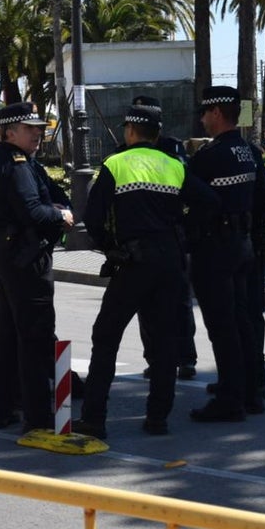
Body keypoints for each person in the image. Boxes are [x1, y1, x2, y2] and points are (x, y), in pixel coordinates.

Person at [75, 104, 219, 439]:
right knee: (165, 341)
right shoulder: (173, 165)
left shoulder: (116, 163)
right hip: (169, 262)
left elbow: (93, 219)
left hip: (133, 262)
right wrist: (180, 228)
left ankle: (94, 419)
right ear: (156, 134)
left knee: (106, 335)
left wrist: (110, 246)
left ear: (129, 131)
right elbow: (209, 202)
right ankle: (158, 418)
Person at [0, 102, 74, 431]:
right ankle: (38, 417)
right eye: (30, 128)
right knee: (36, 337)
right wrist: (60, 215)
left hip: (5, 256)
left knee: (8, 333)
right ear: (10, 132)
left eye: (39, 128)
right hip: (27, 260)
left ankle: (3, 409)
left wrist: (0, 231)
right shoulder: (17, 164)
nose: (38, 133)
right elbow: (33, 212)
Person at [187, 86, 265, 422]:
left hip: (215, 249)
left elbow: (189, 197)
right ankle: (251, 391)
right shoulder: (250, 151)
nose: (204, 120)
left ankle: (229, 398)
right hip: (243, 244)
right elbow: (264, 194)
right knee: (243, 321)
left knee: (222, 326)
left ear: (217, 113)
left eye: (205, 113)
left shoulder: (210, 156)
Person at [123, 95, 199, 382]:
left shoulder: (170, 148)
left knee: (179, 303)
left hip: (170, 236)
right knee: (149, 308)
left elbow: (190, 188)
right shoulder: (126, 153)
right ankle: (155, 359)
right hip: (149, 242)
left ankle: (185, 358)